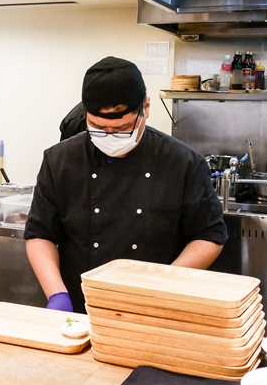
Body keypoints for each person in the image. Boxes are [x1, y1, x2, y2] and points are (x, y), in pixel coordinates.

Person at [24, 56, 228, 313]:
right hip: (80, 304)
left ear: (146, 107)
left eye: (121, 129)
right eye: (97, 127)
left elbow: (209, 236)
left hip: (157, 307)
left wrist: (163, 285)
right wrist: (57, 295)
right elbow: (40, 234)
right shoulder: (60, 160)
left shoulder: (182, 162)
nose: (109, 137)